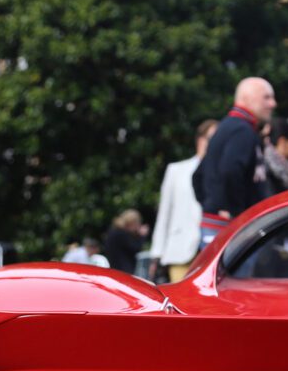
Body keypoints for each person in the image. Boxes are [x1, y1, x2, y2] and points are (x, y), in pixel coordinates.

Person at [194, 77, 277, 248]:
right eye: (266, 97)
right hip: (232, 232)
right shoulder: (242, 130)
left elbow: (197, 176)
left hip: (216, 226)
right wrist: (237, 213)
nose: (273, 104)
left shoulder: (228, 126)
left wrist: (212, 206)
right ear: (246, 98)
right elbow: (231, 171)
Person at [149, 119, 216, 282]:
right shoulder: (176, 170)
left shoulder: (223, 173)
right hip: (181, 250)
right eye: (213, 138)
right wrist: (156, 254)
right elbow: (165, 213)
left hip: (213, 253)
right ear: (201, 140)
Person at [102, 209, 148, 276]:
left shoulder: (114, 232)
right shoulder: (122, 234)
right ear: (132, 223)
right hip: (123, 272)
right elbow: (136, 248)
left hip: (114, 269)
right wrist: (142, 236)